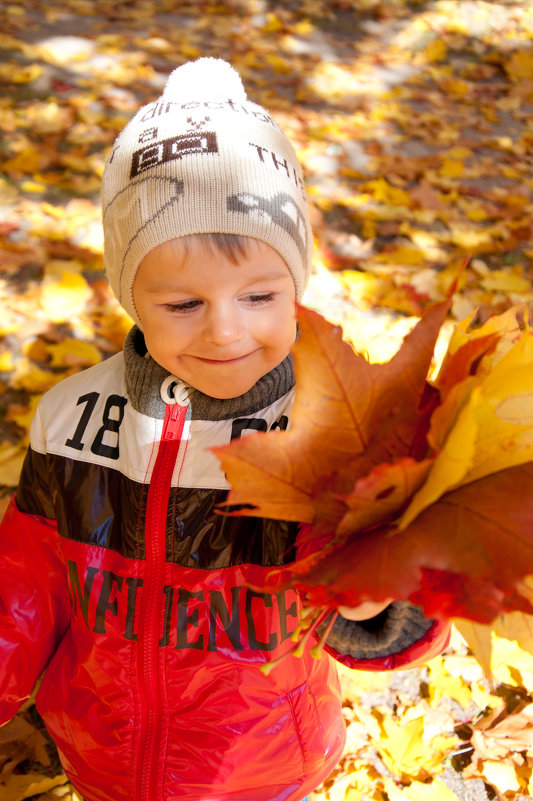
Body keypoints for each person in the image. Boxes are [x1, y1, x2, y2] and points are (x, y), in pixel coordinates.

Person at [0, 58, 450, 801]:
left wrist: (377, 603)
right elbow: (28, 577)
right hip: (101, 748)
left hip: (263, 761)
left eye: (259, 295)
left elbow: (396, 591)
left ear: (295, 280)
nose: (224, 330)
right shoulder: (72, 419)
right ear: (130, 292)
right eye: (181, 303)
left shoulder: (332, 432)